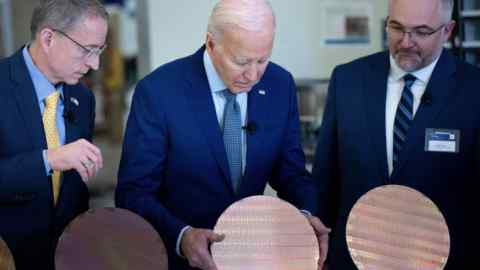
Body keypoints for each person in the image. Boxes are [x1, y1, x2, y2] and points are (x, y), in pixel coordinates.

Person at [116, 0, 330, 269]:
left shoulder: (280, 84)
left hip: (253, 258)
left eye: (263, 60)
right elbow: (132, 193)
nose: (253, 75)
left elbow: (292, 173)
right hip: (179, 262)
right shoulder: (158, 91)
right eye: (240, 61)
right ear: (210, 43)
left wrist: (304, 215)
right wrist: (181, 236)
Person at [313, 0, 473, 268]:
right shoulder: (348, 80)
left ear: (448, 30)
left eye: (421, 32)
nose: (406, 42)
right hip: (353, 258)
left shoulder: (473, 90)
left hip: (441, 259)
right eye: (396, 27)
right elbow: (326, 177)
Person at [0, 0, 107, 269]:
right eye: (87, 50)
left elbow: (76, 191)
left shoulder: (83, 98)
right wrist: (48, 160)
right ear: (48, 38)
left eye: (100, 50)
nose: (94, 64)